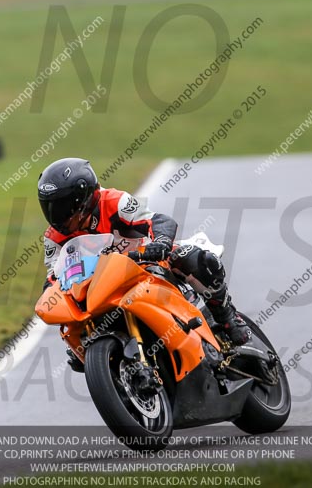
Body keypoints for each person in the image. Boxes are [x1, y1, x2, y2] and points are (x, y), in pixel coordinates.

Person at [37, 158, 251, 371]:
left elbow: (157, 220)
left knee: (195, 259)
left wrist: (161, 242)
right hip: (98, 286)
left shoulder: (114, 201)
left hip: (143, 264)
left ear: (82, 198)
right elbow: (54, 274)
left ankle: (227, 318)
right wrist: (51, 290)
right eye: (50, 206)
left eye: (62, 206)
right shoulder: (54, 237)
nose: (56, 215)